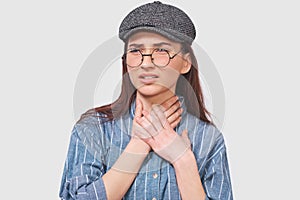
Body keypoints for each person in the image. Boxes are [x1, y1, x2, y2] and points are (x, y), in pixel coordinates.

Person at [59, 1, 233, 199]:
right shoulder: (93, 129)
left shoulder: (209, 140)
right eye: (135, 51)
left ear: (185, 62)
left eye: (161, 51)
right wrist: (139, 144)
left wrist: (183, 160)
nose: (146, 63)